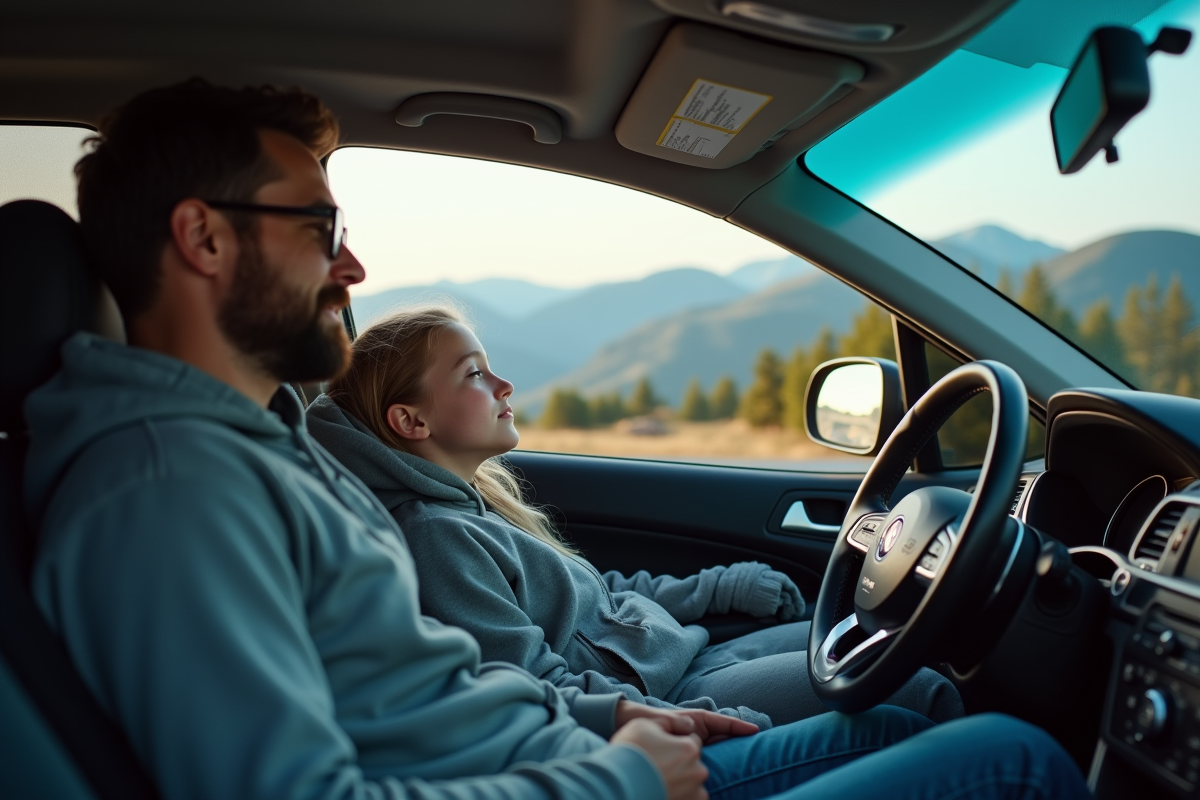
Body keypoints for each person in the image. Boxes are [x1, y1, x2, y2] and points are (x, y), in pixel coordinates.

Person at [24, 77, 1091, 800]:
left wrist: (614, 715)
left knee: (910, 719)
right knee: (1010, 761)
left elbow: (424, 691)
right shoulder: (167, 488)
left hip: (569, 751)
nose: (351, 268)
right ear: (204, 238)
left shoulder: (263, 444)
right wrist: (620, 774)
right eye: (322, 229)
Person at [306, 306, 963, 727]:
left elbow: (601, 598)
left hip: (685, 658)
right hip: (669, 697)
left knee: (895, 637)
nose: (504, 385)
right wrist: (675, 720)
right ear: (410, 420)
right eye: (474, 374)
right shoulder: (436, 538)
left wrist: (718, 587)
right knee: (919, 690)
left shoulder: (475, 504)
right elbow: (530, 686)